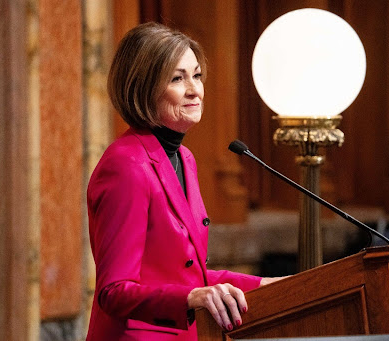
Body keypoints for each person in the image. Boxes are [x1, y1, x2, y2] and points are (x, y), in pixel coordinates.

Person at [86, 22, 281, 340]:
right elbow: (114, 291)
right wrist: (192, 298)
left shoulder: (184, 159)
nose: (195, 90)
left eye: (197, 75)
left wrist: (267, 285)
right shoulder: (126, 164)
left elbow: (187, 274)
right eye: (178, 78)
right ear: (144, 87)